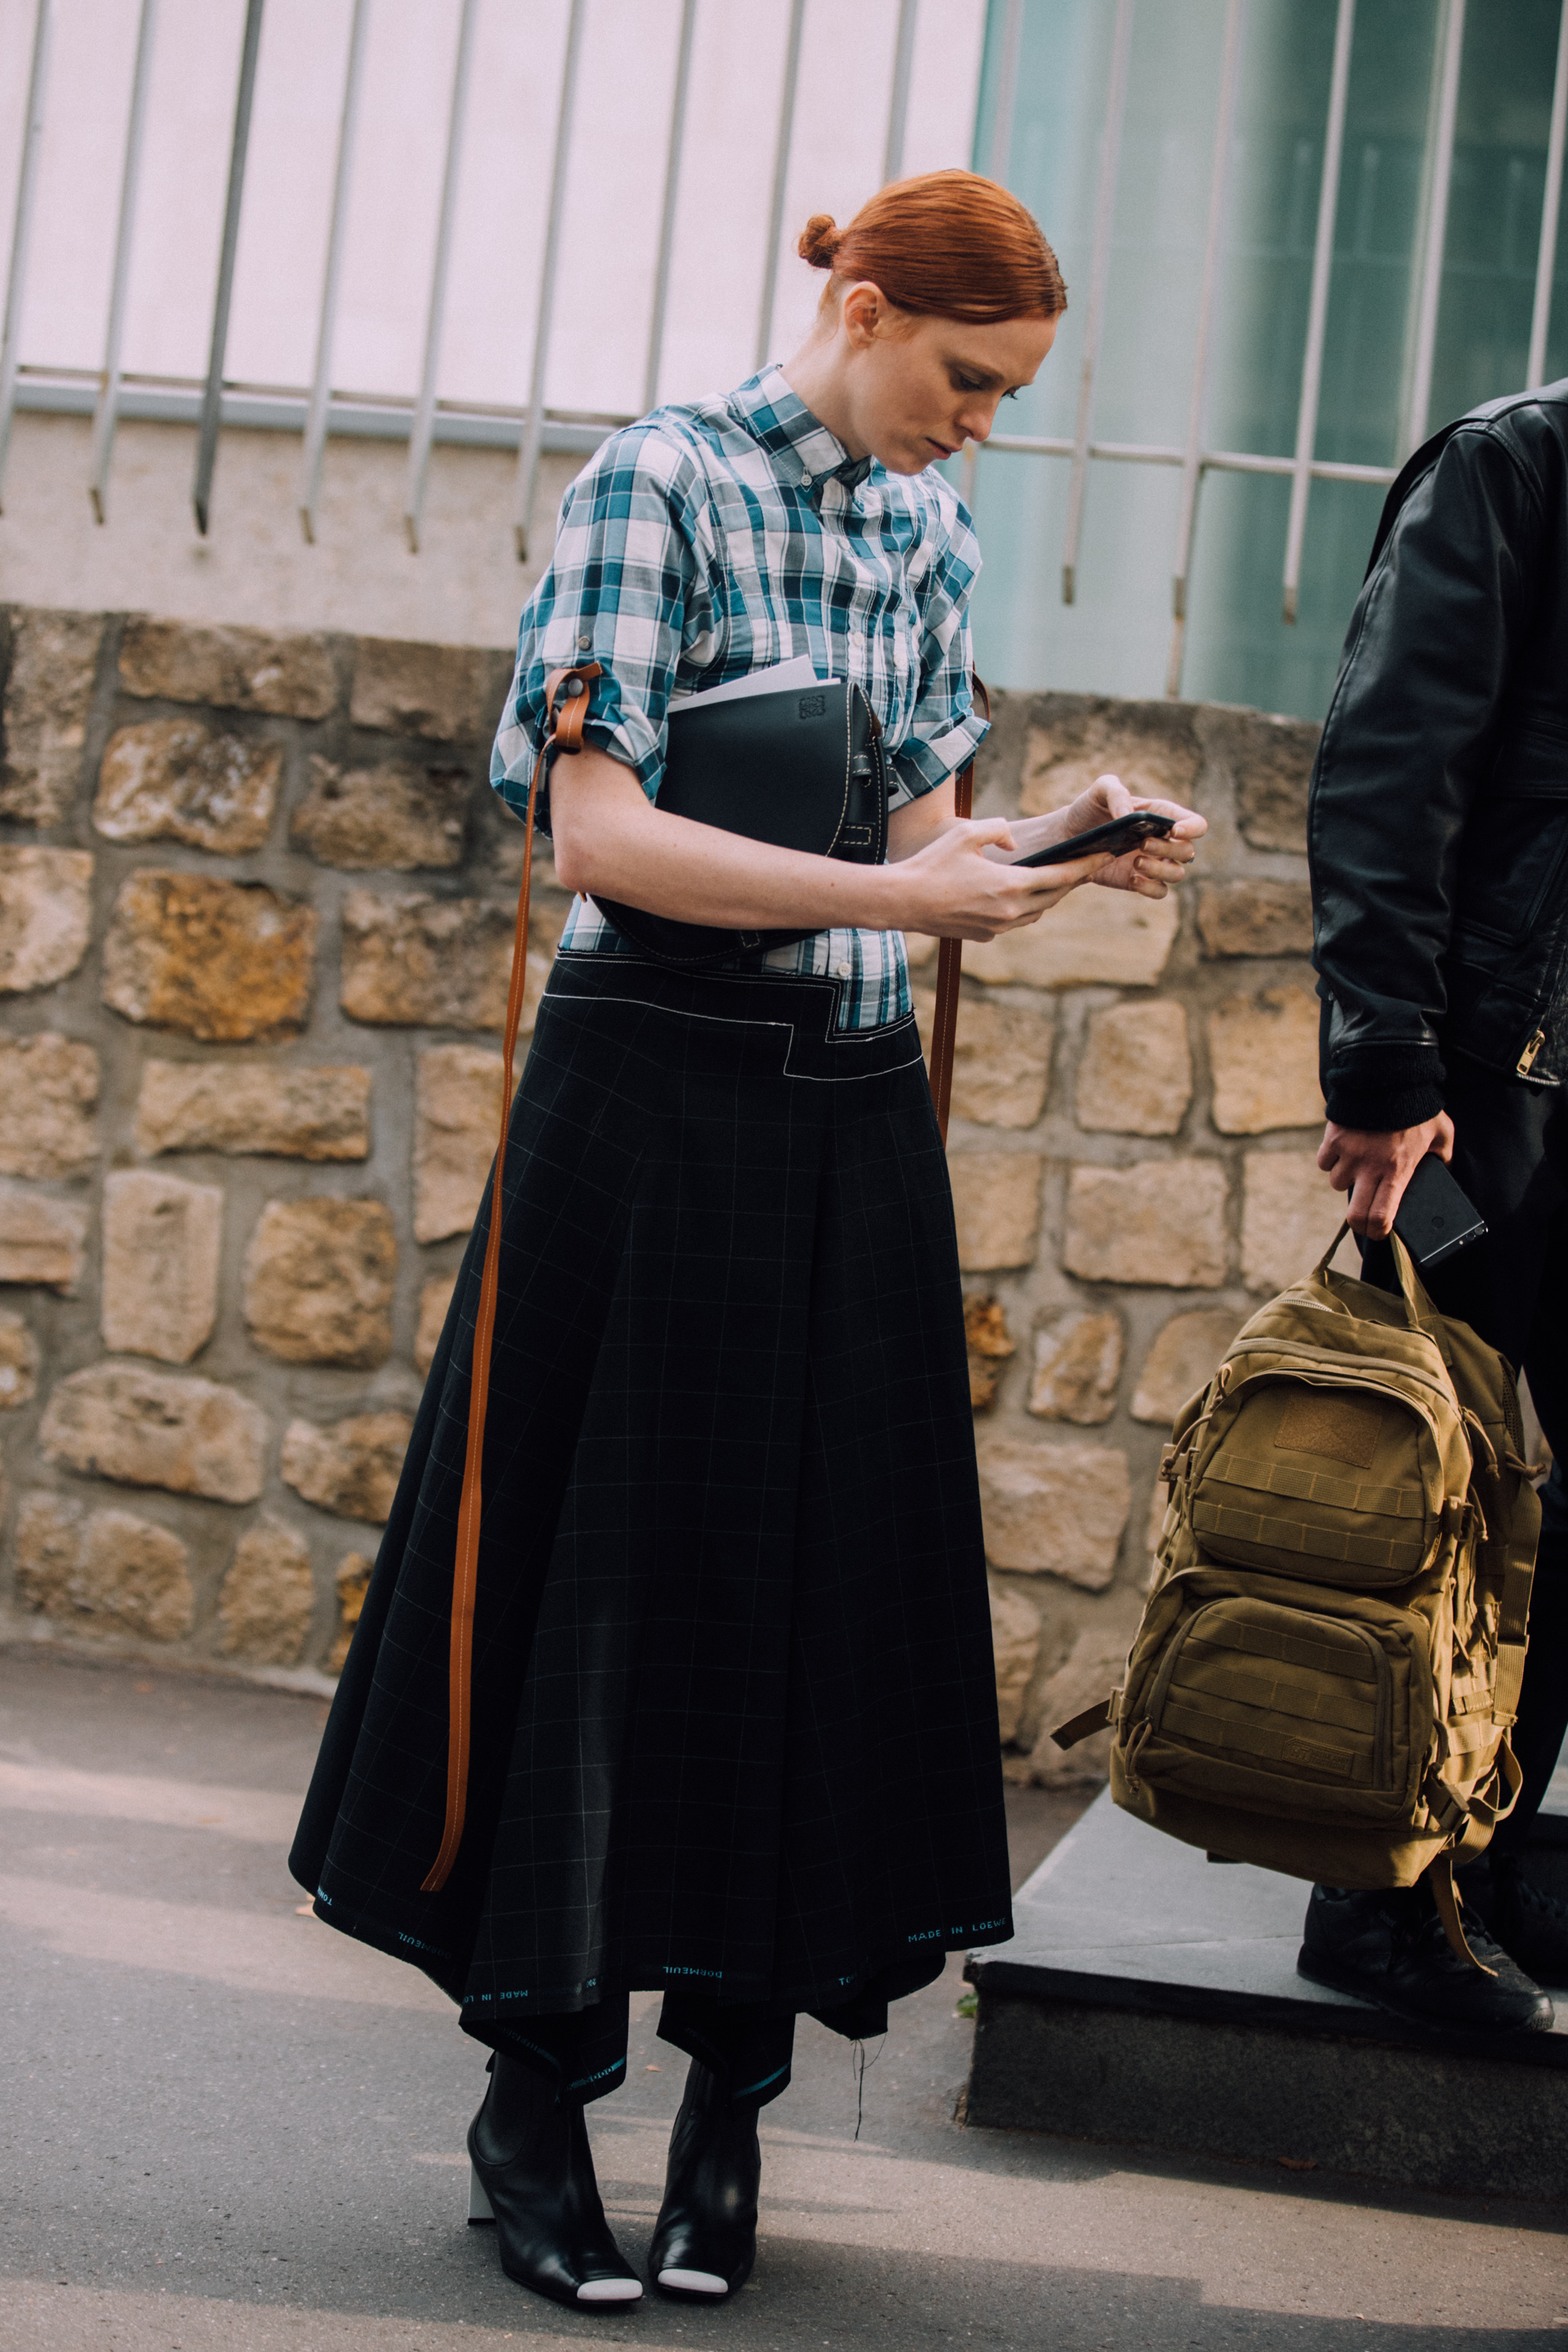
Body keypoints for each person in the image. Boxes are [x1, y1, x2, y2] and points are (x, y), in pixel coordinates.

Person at [290, 168, 1205, 2313]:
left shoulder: (930, 530)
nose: (977, 427)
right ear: (865, 311)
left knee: (816, 1599)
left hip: (842, 1112)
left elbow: (903, 833)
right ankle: (534, 2099)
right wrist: (910, 901)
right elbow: (598, 832)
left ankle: (727, 2111)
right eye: (963, 381)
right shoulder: (663, 485)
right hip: (651, 1087)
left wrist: (1057, 858)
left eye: (1007, 401)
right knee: (591, 1593)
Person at [1307, 376, 1568, 2034]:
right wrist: (1386, 1063)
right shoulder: (1512, 470)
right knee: (1446, 1496)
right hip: (1499, 1084)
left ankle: (1475, 1866)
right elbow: (1387, 767)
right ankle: (1386, 1898)